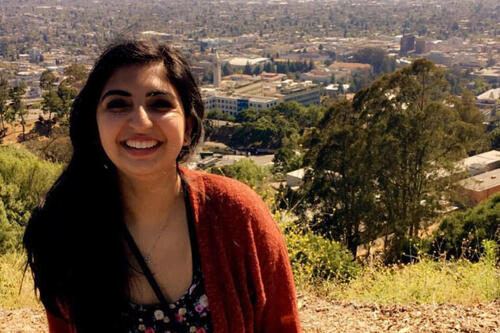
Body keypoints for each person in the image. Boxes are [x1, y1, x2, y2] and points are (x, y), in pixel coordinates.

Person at [23, 40, 301, 333]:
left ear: (188, 128)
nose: (141, 122)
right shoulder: (65, 231)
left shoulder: (237, 215)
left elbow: (282, 325)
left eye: (160, 104)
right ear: (95, 126)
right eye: (118, 104)